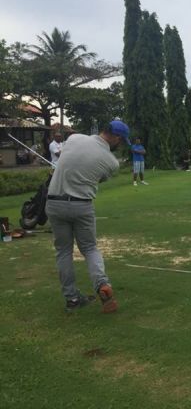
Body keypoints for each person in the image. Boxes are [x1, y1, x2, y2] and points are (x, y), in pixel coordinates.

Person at [45, 120, 130, 313]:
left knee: (63, 251)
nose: (121, 144)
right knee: (90, 248)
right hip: (81, 205)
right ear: (116, 137)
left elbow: (67, 158)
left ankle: (72, 298)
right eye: (122, 141)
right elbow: (99, 178)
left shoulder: (74, 138)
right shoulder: (111, 162)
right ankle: (102, 285)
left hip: (54, 203)